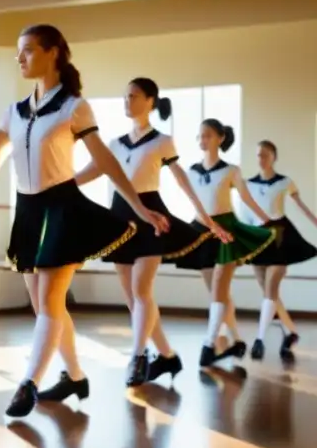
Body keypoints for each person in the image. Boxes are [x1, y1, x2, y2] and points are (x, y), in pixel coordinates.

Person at [0, 24, 169, 418]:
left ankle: (29, 383)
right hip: (27, 211)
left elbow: (104, 160)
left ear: (53, 52)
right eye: (18, 52)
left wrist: (140, 208)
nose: (19, 58)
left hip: (63, 209)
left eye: (28, 51)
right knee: (43, 307)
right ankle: (73, 375)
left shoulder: (74, 106)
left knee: (52, 302)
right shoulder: (14, 111)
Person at [75, 78, 233, 386]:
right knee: (134, 300)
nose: (126, 101)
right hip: (120, 216)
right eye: (124, 96)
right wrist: (64, 184)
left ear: (150, 101)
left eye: (133, 96)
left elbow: (183, 182)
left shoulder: (162, 141)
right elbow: (96, 169)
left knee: (141, 291)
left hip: (152, 218)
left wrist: (208, 219)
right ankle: (167, 356)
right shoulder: (116, 143)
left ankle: (137, 356)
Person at [172, 119, 276, 367]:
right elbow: (194, 202)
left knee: (219, 289)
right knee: (217, 293)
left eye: (207, 135)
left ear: (220, 138)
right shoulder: (192, 171)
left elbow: (247, 198)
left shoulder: (231, 170)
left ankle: (208, 346)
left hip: (227, 230)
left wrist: (268, 221)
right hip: (202, 228)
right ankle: (237, 340)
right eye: (200, 136)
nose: (202, 140)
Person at [242, 140, 317, 359]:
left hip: (281, 236)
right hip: (258, 238)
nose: (261, 158)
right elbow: (246, 215)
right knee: (269, 293)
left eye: (265, 154)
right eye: (258, 155)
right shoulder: (248, 184)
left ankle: (259, 340)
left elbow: (301, 207)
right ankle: (291, 332)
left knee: (270, 290)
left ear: (274, 156)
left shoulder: (285, 182)